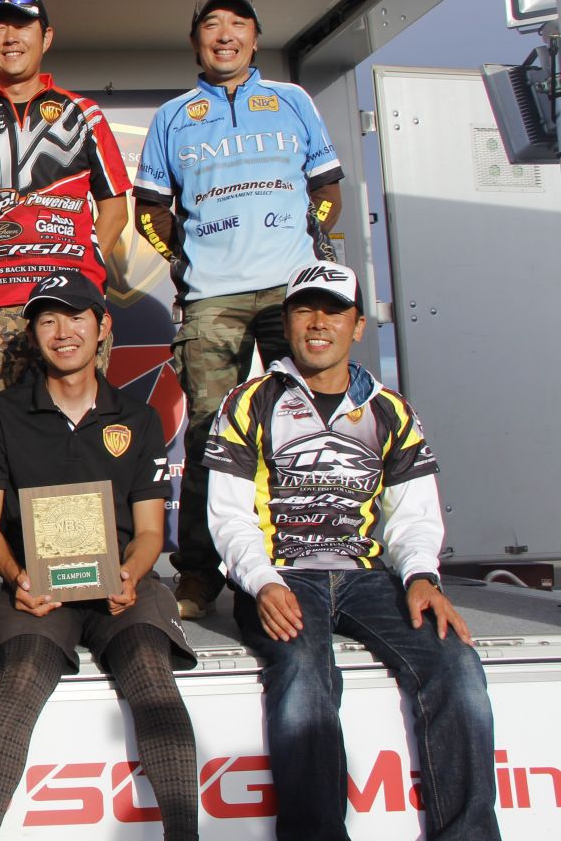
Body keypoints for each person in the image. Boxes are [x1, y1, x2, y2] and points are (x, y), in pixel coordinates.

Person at [206, 263, 498, 841]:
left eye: (334, 311)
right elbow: (229, 515)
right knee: (303, 670)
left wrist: (421, 576)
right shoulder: (249, 402)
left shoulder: (390, 409)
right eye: (304, 310)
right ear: (286, 322)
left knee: (456, 661)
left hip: (367, 576)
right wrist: (262, 581)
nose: (318, 323)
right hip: (282, 574)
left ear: (358, 326)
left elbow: (413, 516)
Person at [0, 272, 197, 840]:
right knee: (20, 680)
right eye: (48, 320)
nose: (62, 332)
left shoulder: (139, 418)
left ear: (102, 325)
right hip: (34, 589)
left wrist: (131, 573)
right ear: (33, 334)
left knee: (151, 673)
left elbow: (149, 530)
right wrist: (17, 577)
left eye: (75, 317)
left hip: (120, 587)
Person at [133, 0, 344, 619]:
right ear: (195, 40)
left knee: (306, 425)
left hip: (290, 294)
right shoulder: (173, 117)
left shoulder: (293, 100)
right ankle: (199, 575)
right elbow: (151, 209)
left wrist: (311, 248)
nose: (225, 35)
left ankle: (311, 563)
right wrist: (186, 260)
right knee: (209, 435)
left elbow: (326, 188)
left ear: (255, 37)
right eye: (212, 25)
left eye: (237, 24)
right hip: (211, 298)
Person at [0, 0, 131, 449]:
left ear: (46, 36)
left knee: (80, 441)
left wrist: (81, 273)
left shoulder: (84, 113)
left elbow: (115, 210)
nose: (11, 36)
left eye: (22, 25)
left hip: (68, 307)